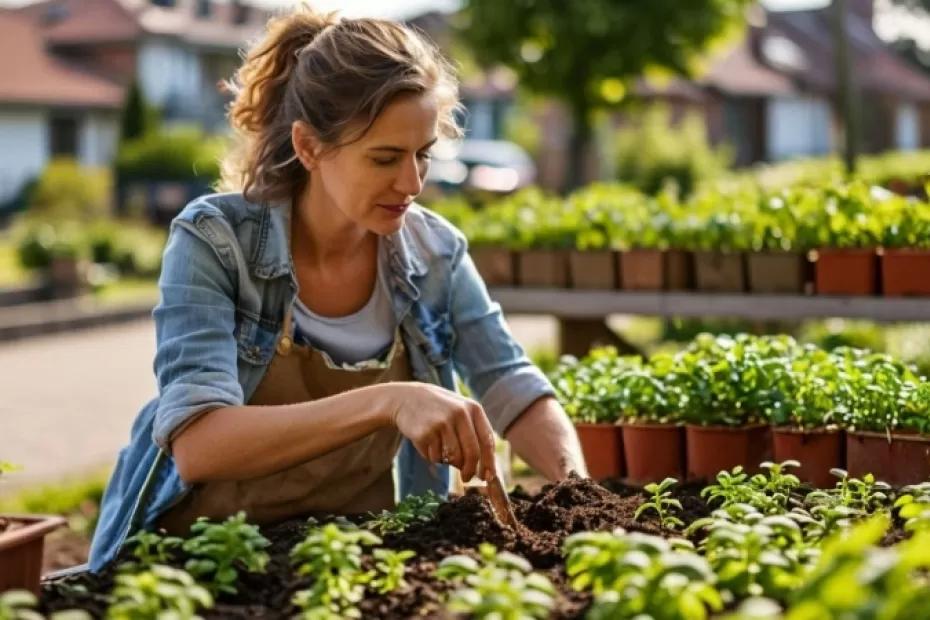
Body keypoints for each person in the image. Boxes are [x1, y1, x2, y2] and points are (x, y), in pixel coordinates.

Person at [88, 6, 587, 571]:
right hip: (196, 563)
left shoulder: (435, 253)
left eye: (423, 154)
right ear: (309, 147)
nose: (413, 183)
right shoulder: (214, 241)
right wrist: (390, 400)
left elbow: (511, 386)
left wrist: (579, 497)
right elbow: (200, 444)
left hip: (345, 561)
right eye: (385, 158)